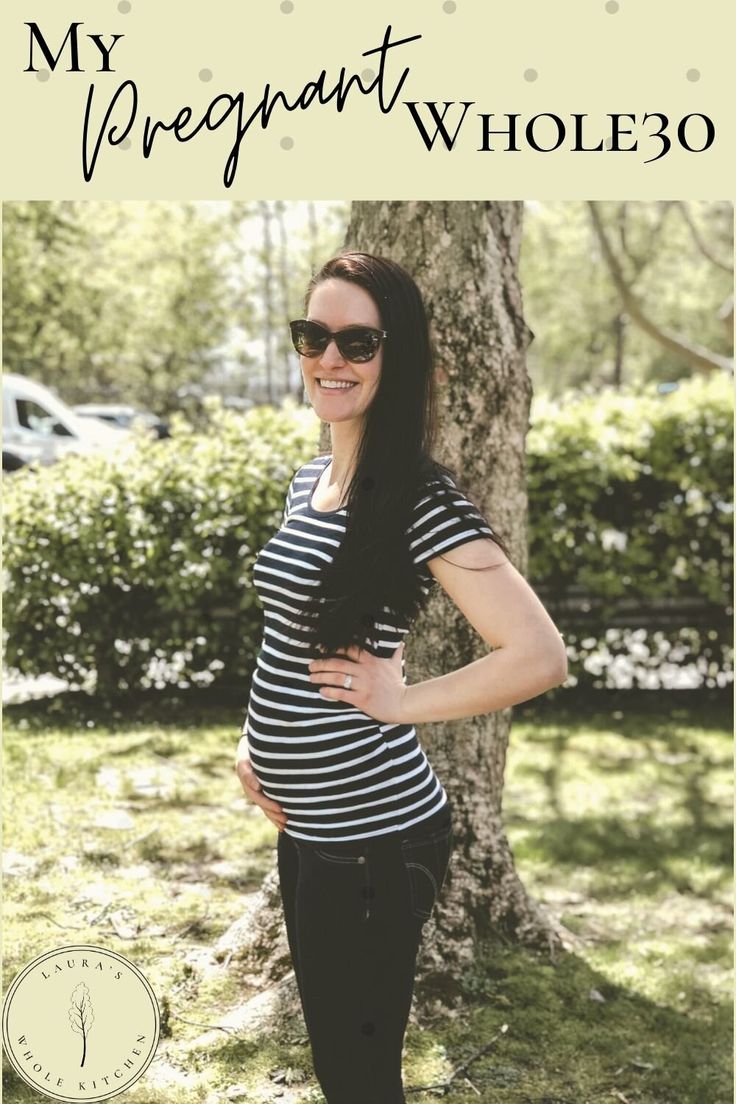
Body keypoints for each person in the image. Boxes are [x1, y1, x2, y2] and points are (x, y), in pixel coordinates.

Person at [234, 251, 567, 1104]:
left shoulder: (419, 500)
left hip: (375, 843)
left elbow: (538, 653)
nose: (329, 360)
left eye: (358, 342)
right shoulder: (314, 478)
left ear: (398, 356)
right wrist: (253, 745)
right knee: (336, 1064)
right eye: (313, 336)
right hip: (309, 828)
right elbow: (288, 635)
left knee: (360, 1078)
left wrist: (402, 701)